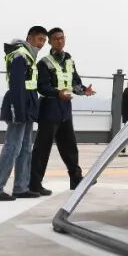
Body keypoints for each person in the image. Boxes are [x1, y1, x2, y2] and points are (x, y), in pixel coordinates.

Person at [29, 27, 95, 194]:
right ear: (50, 42)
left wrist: (84, 90)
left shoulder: (69, 60)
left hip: (65, 109)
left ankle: (76, 179)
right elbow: (42, 87)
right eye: (56, 39)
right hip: (49, 108)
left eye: (62, 38)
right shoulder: (44, 63)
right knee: (42, 149)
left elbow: (75, 82)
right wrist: (57, 93)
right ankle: (34, 184)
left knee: (70, 146)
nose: (60, 41)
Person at [0, 25, 47, 201]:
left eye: (44, 40)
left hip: (28, 105)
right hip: (19, 104)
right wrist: (18, 110)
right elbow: (16, 84)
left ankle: (21, 187)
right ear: (29, 38)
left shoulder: (29, 56)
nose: (42, 43)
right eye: (39, 39)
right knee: (12, 147)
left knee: (26, 148)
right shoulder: (20, 55)